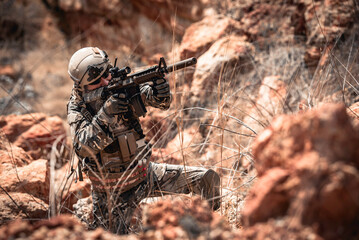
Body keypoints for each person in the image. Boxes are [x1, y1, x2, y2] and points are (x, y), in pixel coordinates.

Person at [67, 47, 220, 234]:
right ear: (81, 87)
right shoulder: (78, 108)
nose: (105, 81)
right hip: (112, 192)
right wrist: (106, 114)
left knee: (206, 179)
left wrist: (160, 93)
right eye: (96, 81)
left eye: (106, 74)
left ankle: (214, 229)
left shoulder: (118, 85)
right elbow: (83, 147)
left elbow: (155, 100)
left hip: (145, 175)